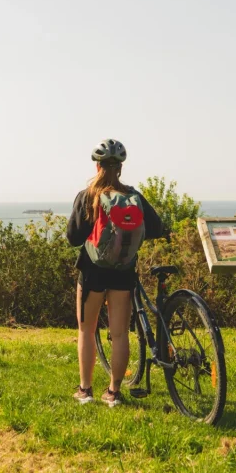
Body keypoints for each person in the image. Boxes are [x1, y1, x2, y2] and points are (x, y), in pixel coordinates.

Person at [66, 139, 165, 407]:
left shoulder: (88, 196)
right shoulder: (133, 196)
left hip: (92, 273)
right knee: (119, 334)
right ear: (120, 168)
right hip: (123, 273)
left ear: (97, 166)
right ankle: (114, 393)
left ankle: (85, 390)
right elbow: (157, 228)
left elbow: (73, 238)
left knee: (86, 331)